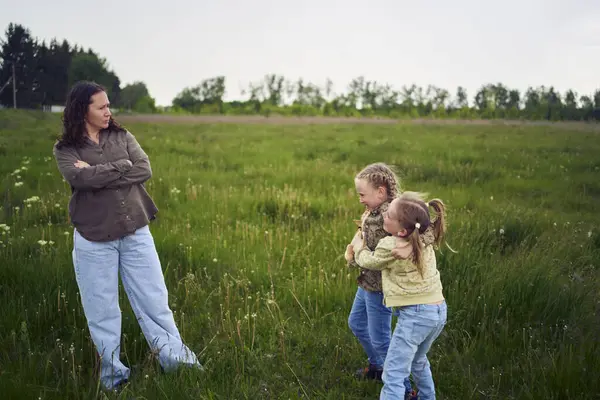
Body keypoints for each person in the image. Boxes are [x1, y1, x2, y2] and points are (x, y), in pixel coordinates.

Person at [53, 81, 201, 390]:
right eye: (101, 106)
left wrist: (103, 169)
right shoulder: (65, 149)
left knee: (155, 302)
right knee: (102, 311)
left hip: (136, 230)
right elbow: (78, 178)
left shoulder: (122, 136)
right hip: (94, 239)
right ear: (83, 110)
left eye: (109, 105)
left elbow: (143, 169)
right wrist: (120, 169)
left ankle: (178, 364)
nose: (108, 111)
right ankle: (113, 379)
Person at [347, 191, 448, 400]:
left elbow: (368, 261)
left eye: (390, 216)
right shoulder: (420, 238)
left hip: (416, 315)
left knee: (393, 373)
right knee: (418, 360)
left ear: (402, 230)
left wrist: (357, 248)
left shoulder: (390, 244)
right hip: (438, 310)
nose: (385, 216)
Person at [345, 163, 414, 397]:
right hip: (366, 282)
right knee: (355, 323)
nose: (361, 199)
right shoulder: (372, 212)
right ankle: (377, 366)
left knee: (381, 339)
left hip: (381, 289)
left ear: (381, 192)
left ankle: (405, 389)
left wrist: (407, 247)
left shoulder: (393, 214)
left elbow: (416, 231)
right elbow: (364, 232)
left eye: (362, 194)